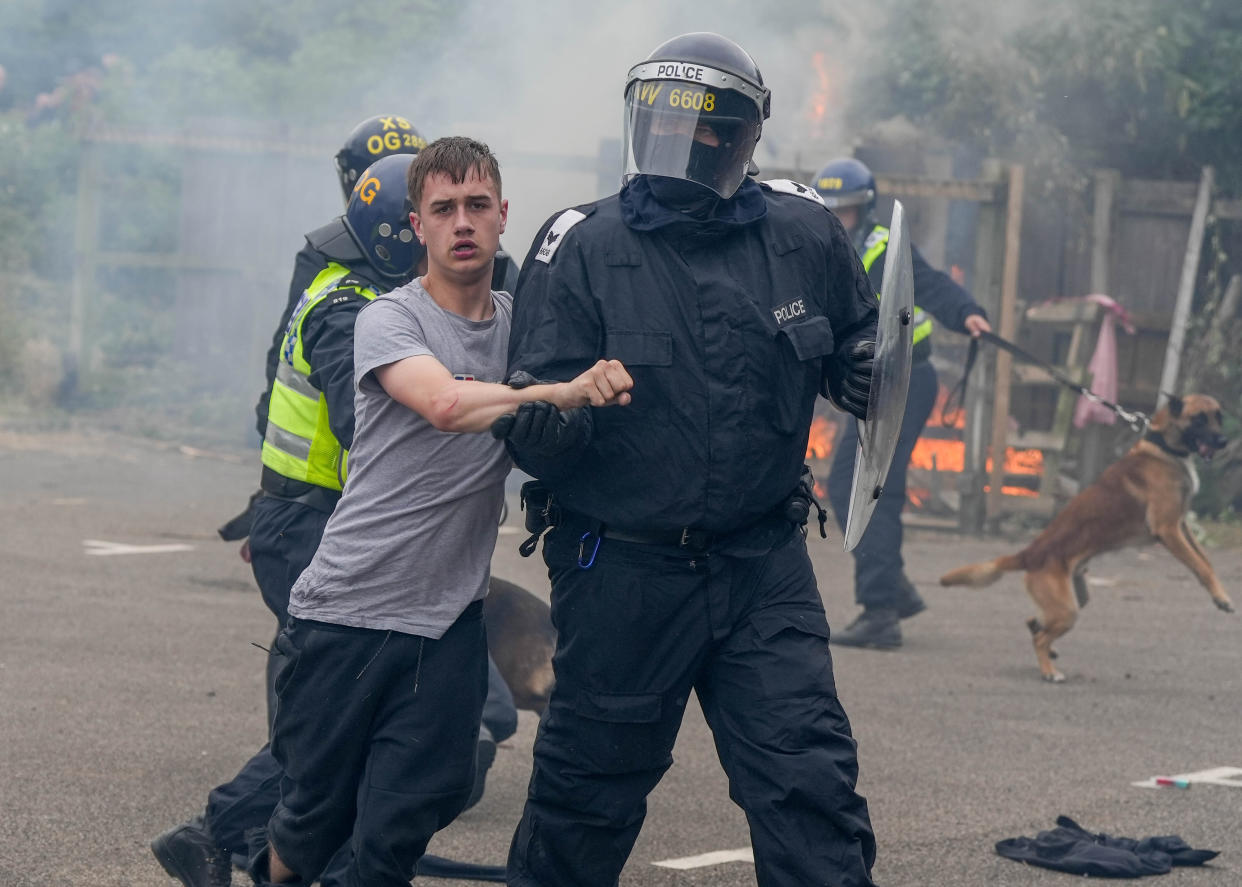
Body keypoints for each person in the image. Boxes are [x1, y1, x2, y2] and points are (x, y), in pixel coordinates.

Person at [495, 32, 879, 887]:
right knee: (584, 801)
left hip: (762, 564)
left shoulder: (804, 232)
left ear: (742, 135)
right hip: (624, 574)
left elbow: (865, 340)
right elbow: (532, 415)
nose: (681, 144)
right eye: (663, 124)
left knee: (810, 783)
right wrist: (553, 414)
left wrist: (860, 368)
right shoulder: (581, 245)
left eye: (703, 129)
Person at [248, 136, 632, 887]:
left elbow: (587, 384)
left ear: (502, 218)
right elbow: (446, 402)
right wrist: (557, 391)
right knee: (309, 827)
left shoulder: (526, 324)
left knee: (400, 823)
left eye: (477, 206)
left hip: (446, 624)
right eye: (444, 208)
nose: (463, 221)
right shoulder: (386, 319)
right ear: (417, 226)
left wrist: (609, 379)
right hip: (346, 615)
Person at [814, 156, 992, 649]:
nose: (838, 220)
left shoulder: (883, 243)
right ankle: (891, 589)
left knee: (874, 490)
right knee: (844, 483)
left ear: (863, 209)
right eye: (830, 212)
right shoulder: (819, 250)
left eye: (845, 212)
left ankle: (880, 614)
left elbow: (930, 282)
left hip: (907, 379)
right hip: (873, 384)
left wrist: (968, 314)